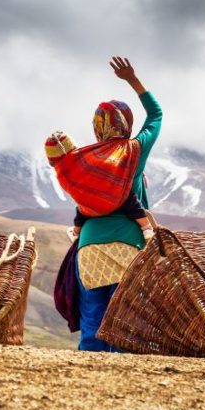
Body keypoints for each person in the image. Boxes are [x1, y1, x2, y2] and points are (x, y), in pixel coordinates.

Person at [72, 56, 162, 352]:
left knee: (93, 320)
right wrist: (133, 80)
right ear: (127, 123)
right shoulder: (133, 151)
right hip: (126, 245)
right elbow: (156, 115)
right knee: (123, 320)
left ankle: (86, 383)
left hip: (88, 248)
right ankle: (119, 387)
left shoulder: (87, 159)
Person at [45, 130, 154, 241]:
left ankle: (76, 232)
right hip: (112, 198)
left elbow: (77, 189)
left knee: (81, 211)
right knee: (131, 201)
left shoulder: (61, 173)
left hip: (90, 206)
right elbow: (102, 167)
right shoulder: (83, 158)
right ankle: (146, 228)